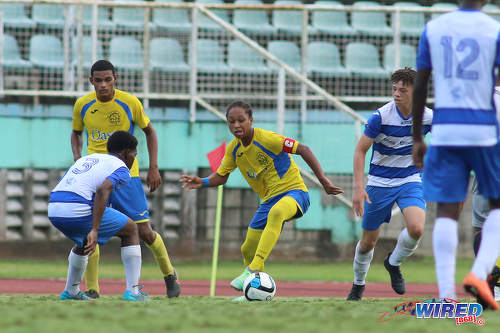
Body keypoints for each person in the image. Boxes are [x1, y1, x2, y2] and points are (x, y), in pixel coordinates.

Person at [180, 101, 344, 302]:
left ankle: (253, 269)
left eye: (241, 120)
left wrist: (323, 180)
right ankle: (253, 294)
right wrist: (203, 182)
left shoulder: (268, 139)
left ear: (251, 120)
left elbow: (304, 149)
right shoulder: (233, 150)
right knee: (247, 248)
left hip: (295, 193)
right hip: (268, 201)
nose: (236, 125)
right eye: (231, 122)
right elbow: (222, 176)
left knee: (277, 213)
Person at [412, 0, 500, 310]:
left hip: (446, 128)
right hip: (484, 130)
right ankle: (479, 273)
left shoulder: (433, 28)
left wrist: (417, 138)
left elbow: (420, 83)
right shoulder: (494, 30)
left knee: (447, 212)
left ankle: (446, 297)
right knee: (497, 206)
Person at [71, 60, 180, 299]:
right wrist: (78, 158)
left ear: (115, 79)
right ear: (91, 81)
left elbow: (150, 131)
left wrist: (153, 167)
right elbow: (76, 133)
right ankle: (92, 289)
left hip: (126, 177)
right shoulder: (82, 105)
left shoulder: (130, 103)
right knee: (92, 231)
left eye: (107, 79)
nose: (103, 85)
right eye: (98, 80)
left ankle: (169, 274)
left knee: (144, 232)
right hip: (96, 177)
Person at [346, 68, 433, 301]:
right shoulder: (381, 117)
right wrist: (358, 187)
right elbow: (360, 150)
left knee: (416, 228)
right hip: (379, 182)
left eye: (402, 90)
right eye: (394, 89)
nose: (396, 94)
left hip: (410, 179)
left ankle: (393, 263)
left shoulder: (427, 116)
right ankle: (358, 284)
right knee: (367, 243)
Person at [48, 131, 148, 301]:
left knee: (83, 241)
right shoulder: (122, 169)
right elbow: (103, 190)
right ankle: (133, 292)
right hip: (77, 208)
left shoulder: (88, 158)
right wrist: (95, 229)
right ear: (126, 153)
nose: (134, 159)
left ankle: (71, 291)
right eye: (134, 154)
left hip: (54, 208)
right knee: (131, 229)